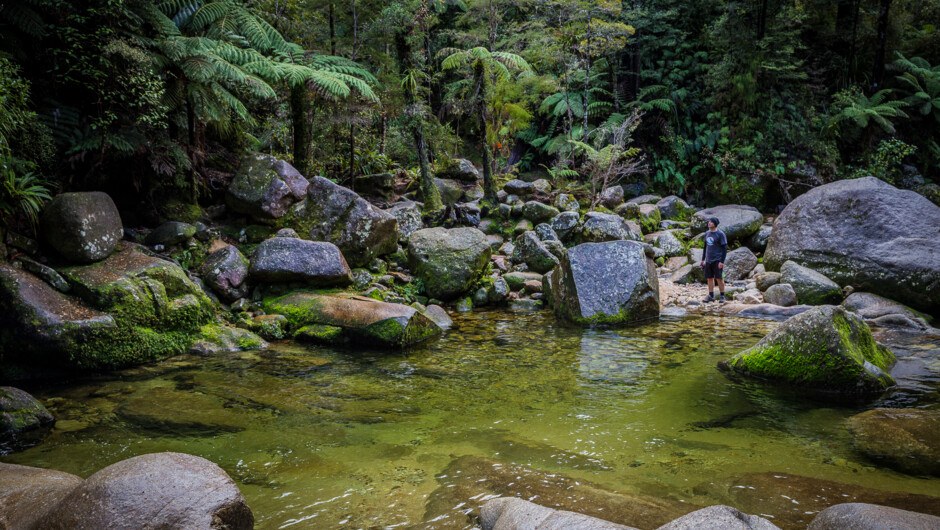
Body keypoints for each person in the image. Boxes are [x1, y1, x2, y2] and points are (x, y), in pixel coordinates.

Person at [699, 217, 727, 302]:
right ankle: (711, 296)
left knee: (719, 278)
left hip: (717, 260)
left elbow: (724, 248)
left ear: (715, 224)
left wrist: (722, 261)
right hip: (708, 260)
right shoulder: (707, 233)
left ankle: (722, 296)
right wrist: (703, 259)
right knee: (709, 278)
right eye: (709, 222)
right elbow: (705, 247)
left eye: (711, 222)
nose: (709, 223)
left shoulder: (720, 234)